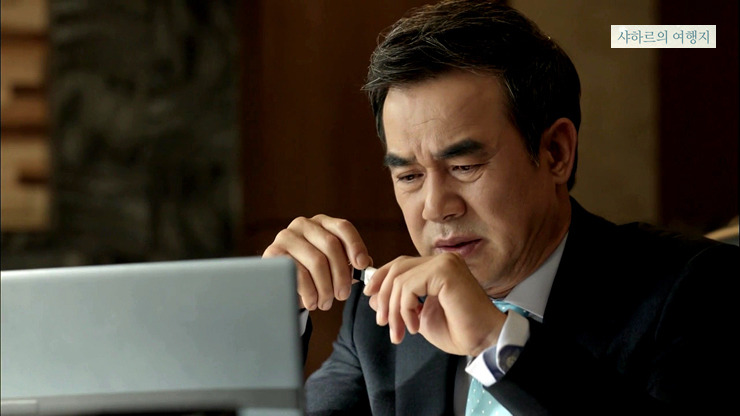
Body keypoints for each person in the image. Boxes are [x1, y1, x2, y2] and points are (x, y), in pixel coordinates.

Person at [263, 1, 738, 414]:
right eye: (408, 176)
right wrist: (270, 313)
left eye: (465, 166)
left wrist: (496, 342)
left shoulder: (696, 289)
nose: (435, 208)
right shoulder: (380, 318)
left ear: (556, 152)